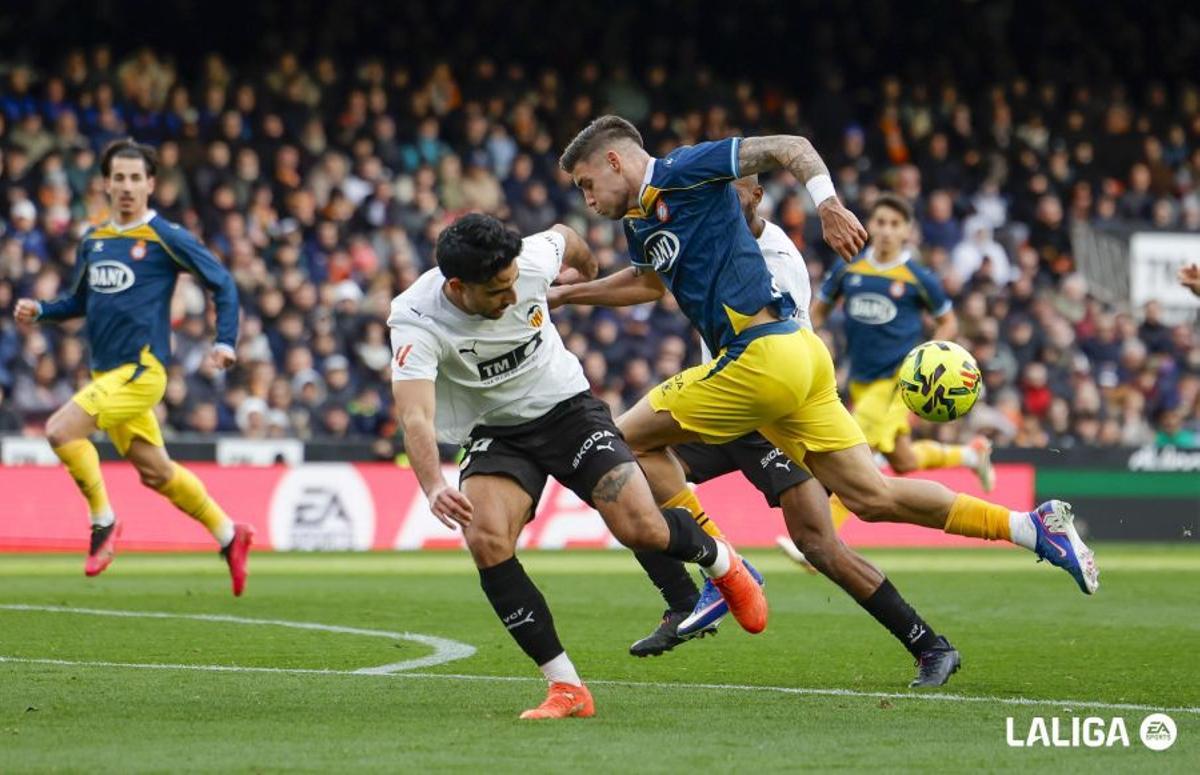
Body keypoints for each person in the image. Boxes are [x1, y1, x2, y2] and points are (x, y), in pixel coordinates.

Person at [559, 118, 1097, 630]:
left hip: (759, 359)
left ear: (614, 161)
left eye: (587, 184)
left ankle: (723, 569)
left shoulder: (684, 169)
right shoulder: (640, 220)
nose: (588, 200)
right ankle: (1030, 527)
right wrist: (566, 295)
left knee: (617, 442)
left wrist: (829, 204)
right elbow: (648, 283)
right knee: (872, 496)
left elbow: (791, 146)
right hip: (800, 360)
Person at [551, 176, 962, 687]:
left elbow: (785, 349)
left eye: (734, 189)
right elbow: (649, 281)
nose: (722, 198)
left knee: (820, 544)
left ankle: (929, 644)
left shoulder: (777, 257)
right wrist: (569, 294)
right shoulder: (711, 237)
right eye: (716, 190)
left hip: (770, 417)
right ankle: (689, 597)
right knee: (618, 467)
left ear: (756, 195)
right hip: (721, 406)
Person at [389, 213, 766, 720]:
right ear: (457, 286)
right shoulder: (415, 318)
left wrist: (585, 272)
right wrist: (434, 485)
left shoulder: (529, 261)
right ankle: (566, 688)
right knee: (485, 538)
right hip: (496, 431)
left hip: (568, 410)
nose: (511, 296)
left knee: (641, 528)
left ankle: (723, 563)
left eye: (513, 283)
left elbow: (566, 236)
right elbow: (415, 414)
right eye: (497, 291)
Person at [13, 139, 253, 595]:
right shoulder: (95, 240)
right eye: (119, 178)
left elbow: (221, 282)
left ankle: (103, 522)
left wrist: (224, 340)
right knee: (156, 472)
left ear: (150, 185)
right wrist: (42, 311)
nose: (127, 186)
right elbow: (79, 302)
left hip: (143, 371)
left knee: (60, 431)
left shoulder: (165, 237)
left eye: (135, 178)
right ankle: (229, 533)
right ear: (106, 184)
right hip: (107, 377)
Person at [811, 193, 995, 536]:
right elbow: (817, 312)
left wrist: (928, 358)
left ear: (907, 230)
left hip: (898, 381)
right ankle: (972, 455)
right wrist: (812, 338)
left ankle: (822, 537)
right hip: (861, 379)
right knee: (903, 460)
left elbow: (948, 322)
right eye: (880, 222)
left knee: (856, 451)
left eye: (895, 224)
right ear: (870, 225)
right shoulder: (848, 267)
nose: (886, 230)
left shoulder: (918, 278)